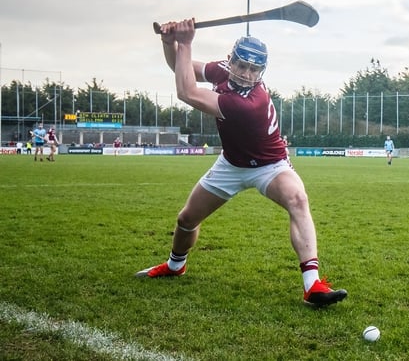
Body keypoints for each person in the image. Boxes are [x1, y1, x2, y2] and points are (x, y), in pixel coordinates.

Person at [136, 18, 346, 308]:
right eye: (242, 66)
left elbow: (186, 92)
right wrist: (169, 43)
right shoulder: (221, 71)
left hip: (269, 165)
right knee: (186, 219)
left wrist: (184, 42)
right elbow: (181, 69)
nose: (247, 74)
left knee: (297, 199)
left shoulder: (250, 104)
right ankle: (175, 265)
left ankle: (313, 285)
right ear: (230, 61)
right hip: (231, 165)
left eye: (254, 69)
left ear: (261, 71)